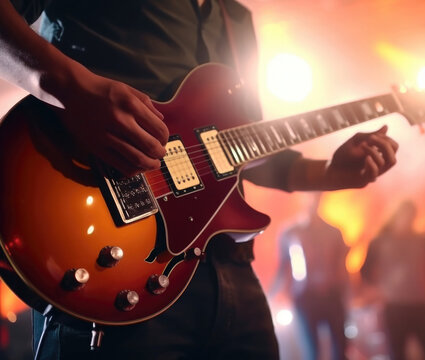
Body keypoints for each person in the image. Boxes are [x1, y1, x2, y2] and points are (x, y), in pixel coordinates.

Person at [0, 1, 399, 358]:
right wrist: (72, 88)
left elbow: (235, 146)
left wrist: (328, 172)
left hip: (230, 271)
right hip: (110, 262)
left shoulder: (235, 18)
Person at [270, 193, 349, 360]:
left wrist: (348, 291)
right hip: (305, 296)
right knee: (312, 349)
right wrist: (274, 294)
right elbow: (283, 265)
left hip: (332, 294)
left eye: (316, 196)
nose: (313, 201)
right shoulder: (290, 232)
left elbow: (342, 265)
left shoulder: (334, 232)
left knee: (340, 347)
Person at [361, 200, 425, 360]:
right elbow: (364, 271)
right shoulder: (379, 242)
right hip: (394, 306)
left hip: (421, 304)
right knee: (397, 353)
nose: (407, 220)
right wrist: (377, 292)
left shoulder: (424, 241)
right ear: (396, 216)